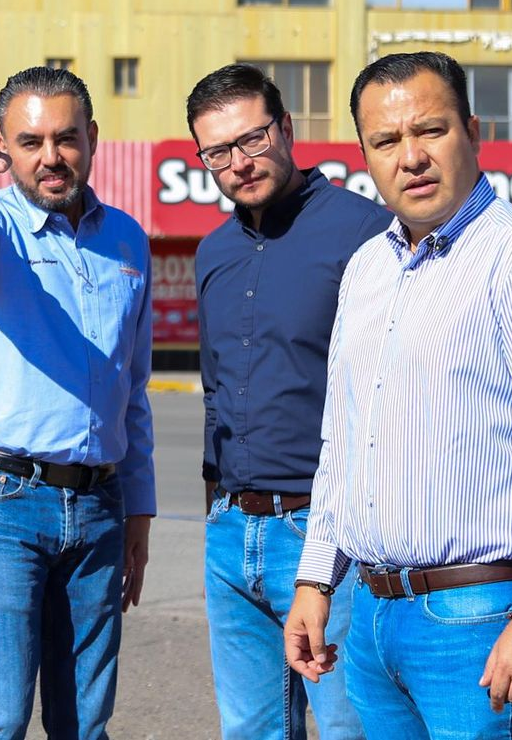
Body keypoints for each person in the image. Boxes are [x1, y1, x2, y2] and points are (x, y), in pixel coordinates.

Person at [284, 51, 512, 740]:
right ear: (364, 155)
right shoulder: (368, 269)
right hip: (372, 615)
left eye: (429, 130)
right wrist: (316, 579)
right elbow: (343, 441)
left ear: (473, 130)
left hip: (481, 617)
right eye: (386, 140)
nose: (411, 156)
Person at [0, 65, 156, 740]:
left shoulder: (128, 240)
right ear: (3, 145)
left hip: (99, 507)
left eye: (66, 138)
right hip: (2, 501)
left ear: (92, 138)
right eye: (29, 141)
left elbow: (134, 389)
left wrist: (139, 508)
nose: (50, 157)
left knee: (84, 722)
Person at [187, 64, 388, 740]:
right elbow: (217, 388)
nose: (238, 163)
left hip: (327, 538)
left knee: (345, 728)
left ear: (288, 128)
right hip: (229, 534)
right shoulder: (212, 252)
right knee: (249, 730)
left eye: (252, 139)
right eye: (218, 151)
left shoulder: (368, 235)